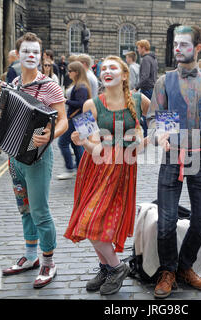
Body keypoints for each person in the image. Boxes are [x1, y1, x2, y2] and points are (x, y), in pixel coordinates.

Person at [146, 25, 201, 299]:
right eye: (175, 44)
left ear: (198, 48)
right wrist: (161, 135)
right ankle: (167, 271)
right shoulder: (163, 82)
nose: (177, 48)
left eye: (183, 44)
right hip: (172, 156)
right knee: (166, 221)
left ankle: (185, 266)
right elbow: (154, 118)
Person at [64, 55, 150, 295]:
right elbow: (93, 147)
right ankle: (111, 267)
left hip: (122, 169)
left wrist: (156, 138)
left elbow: (159, 116)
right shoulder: (91, 104)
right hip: (95, 168)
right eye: (103, 68)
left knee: (97, 222)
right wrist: (83, 141)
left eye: (113, 68)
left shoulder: (139, 99)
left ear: (124, 75)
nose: (106, 71)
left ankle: (111, 267)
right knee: (89, 222)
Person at [0, 32, 68, 289]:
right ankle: (30, 257)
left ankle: (48, 261)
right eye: (26, 51)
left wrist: (51, 134)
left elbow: (63, 120)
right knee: (24, 209)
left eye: (35, 52)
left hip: (38, 158)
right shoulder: (15, 82)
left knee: (40, 211)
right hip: (14, 156)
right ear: (17, 55)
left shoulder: (49, 85)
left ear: (40, 56)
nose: (31, 56)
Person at [57, 61, 91, 180]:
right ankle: (80, 168)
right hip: (79, 118)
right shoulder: (79, 84)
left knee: (62, 143)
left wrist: (65, 101)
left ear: (76, 72)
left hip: (77, 119)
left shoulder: (81, 86)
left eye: (70, 71)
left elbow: (81, 104)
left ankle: (70, 168)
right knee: (76, 144)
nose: (68, 73)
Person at [135, 39, 158, 137]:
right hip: (151, 88)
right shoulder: (153, 58)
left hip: (146, 89)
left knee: (145, 113)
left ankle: (145, 136)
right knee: (150, 112)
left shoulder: (146, 59)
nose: (137, 50)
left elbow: (145, 76)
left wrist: (136, 88)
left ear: (143, 48)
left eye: (138, 48)